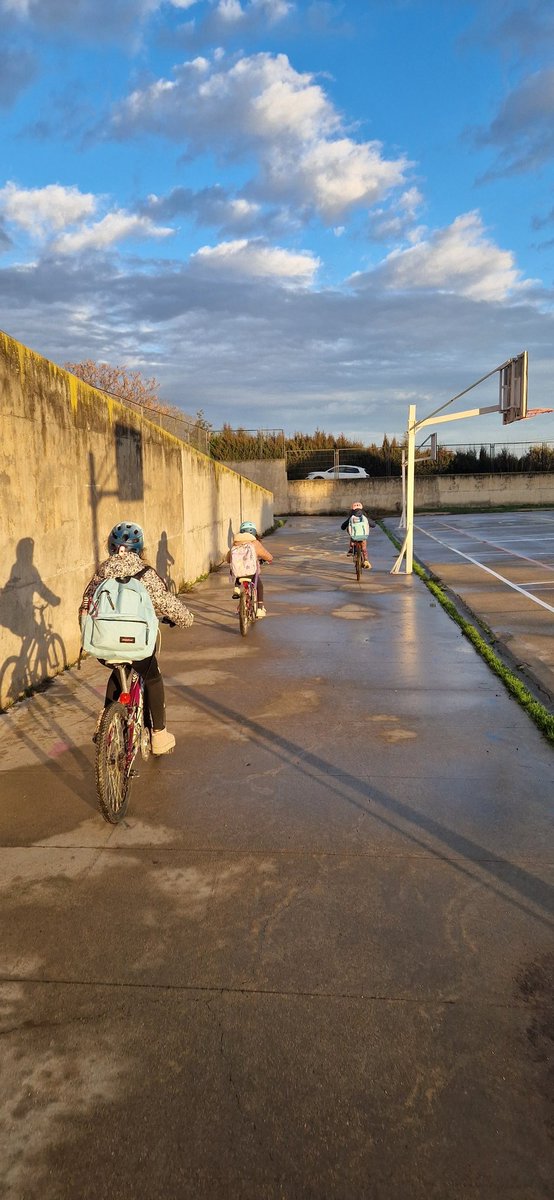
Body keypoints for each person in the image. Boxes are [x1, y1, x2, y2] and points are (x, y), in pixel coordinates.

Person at [79, 521, 193, 755]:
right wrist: (185, 619)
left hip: (103, 642)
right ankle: (159, 735)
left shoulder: (102, 571)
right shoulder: (145, 573)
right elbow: (165, 602)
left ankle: (105, 723)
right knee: (152, 676)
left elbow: (85, 605)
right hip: (137, 644)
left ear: (111, 547)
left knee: (116, 665)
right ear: (139, 549)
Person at [226, 520, 273, 618]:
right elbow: (266, 555)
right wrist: (269, 559)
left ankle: (237, 588)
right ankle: (260, 608)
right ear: (254, 533)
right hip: (251, 572)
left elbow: (228, 558)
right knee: (259, 586)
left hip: (238, 574)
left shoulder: (236, 543)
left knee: (238, 572)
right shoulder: (255, 543)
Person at [340, 501, 375, 569]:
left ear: (352, 509)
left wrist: (344, 527)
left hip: (354, 537)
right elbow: (373, 525)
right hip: (363, 536)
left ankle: (351, 548)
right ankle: (366, 560)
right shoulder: (364, 517)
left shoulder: (351, 517)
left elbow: (343, 526)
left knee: (351, 534)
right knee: (364, 548)